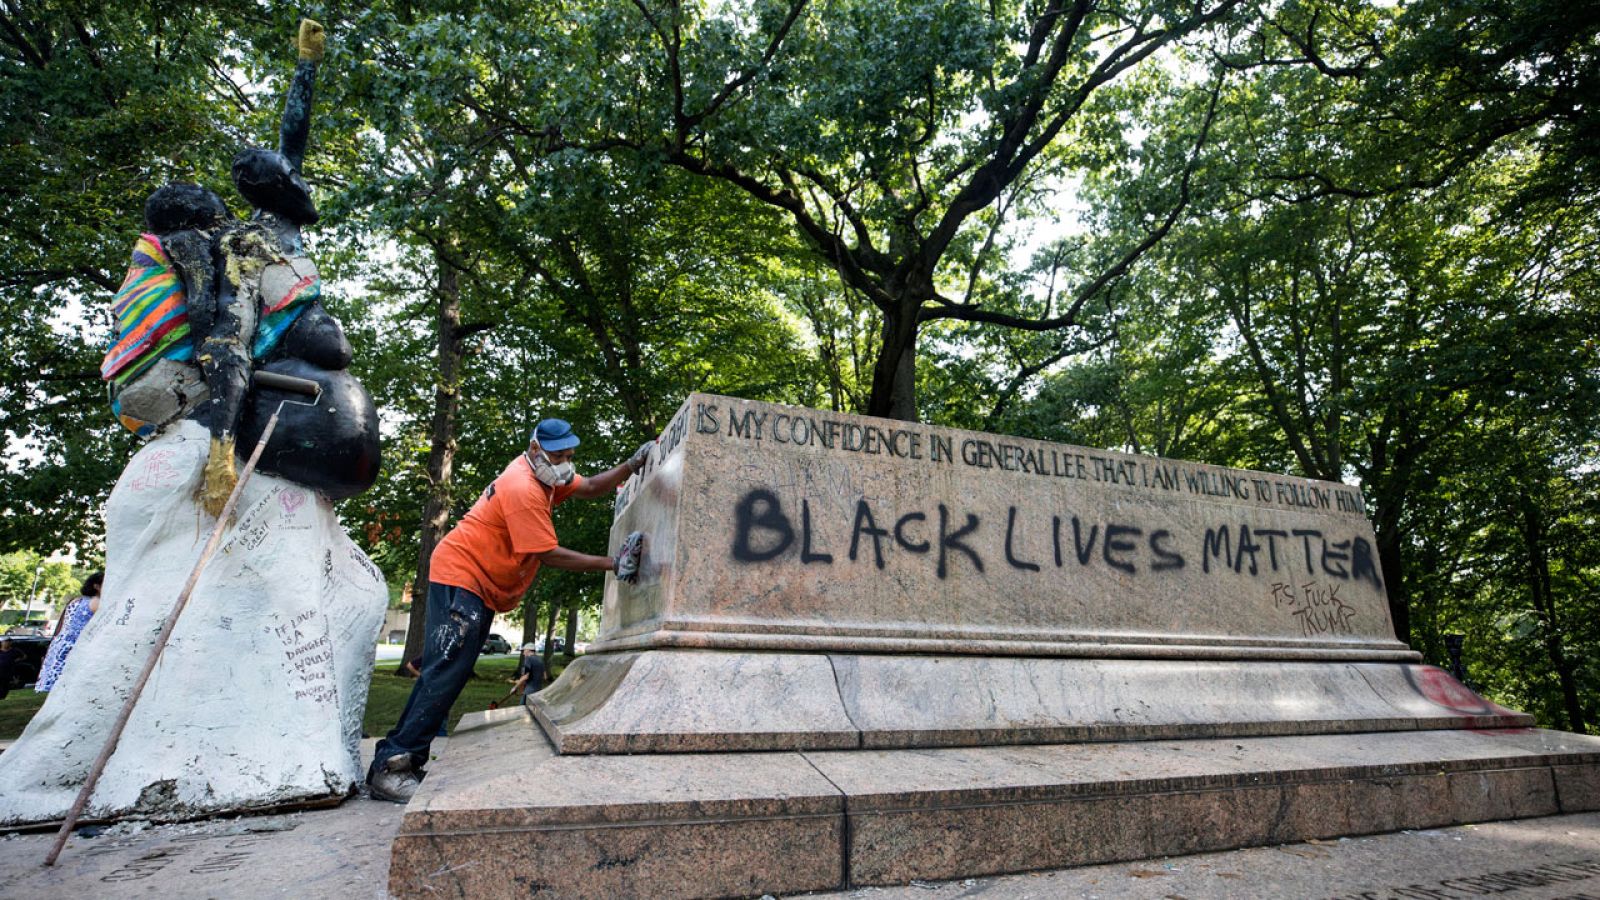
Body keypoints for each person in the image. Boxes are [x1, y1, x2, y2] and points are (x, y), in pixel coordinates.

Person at [366, 419, 650, 803]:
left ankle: (401, 758)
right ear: (535, 450)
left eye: (569, 455)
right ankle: (393, 766)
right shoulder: (524, 488)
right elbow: (547, 554)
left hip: (472, 581)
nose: (566, 464)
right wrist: (613, 564)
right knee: (446, 672)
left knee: (446, 670)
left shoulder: (547, 476)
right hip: (463, 575)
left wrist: (631, 465)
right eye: (558, 455)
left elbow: (589, 486)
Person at [34, 573, 103, 693]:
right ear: (97, 586)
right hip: (75, 645)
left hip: (61, 643)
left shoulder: (76, 600)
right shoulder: (96, 602)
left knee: (57, 686)